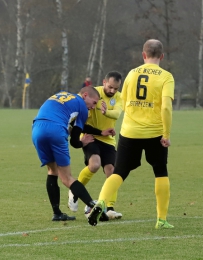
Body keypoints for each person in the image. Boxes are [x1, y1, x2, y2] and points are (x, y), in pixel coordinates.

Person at [88, 39, 175, 229]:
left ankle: (101, 202)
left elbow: (125, 101)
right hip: (154, 131)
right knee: (160, 171)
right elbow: (166, 108)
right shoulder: (166, 77)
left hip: (130, 131)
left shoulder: (132, 74)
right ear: (161, 56)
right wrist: (166, 134)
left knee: (119, 171)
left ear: (143, 55)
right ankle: (161, 219)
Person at [32, 86, 108, 221]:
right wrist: (82, 142)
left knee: (52, 171)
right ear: (85, 95)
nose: (93, 106)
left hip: (37, 129)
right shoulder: (82, 107)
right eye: (94, 102)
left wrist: (100, 132)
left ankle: (57, 213)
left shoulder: (62, 95)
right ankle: (93, 206)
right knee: (67, 178)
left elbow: (73, 123)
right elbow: (74, 141)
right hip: (55, 130)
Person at [68, 71, 123, 220]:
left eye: (116, 88)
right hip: (91, 136)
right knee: (94, 165)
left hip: (108, 139)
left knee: (112, 171)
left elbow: (117, 113)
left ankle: (109, 208)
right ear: (104, 82)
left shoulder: (119, 97)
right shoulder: (94, 93)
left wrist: (107, 113)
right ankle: (75, 189)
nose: (112, 91)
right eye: (110, 87)